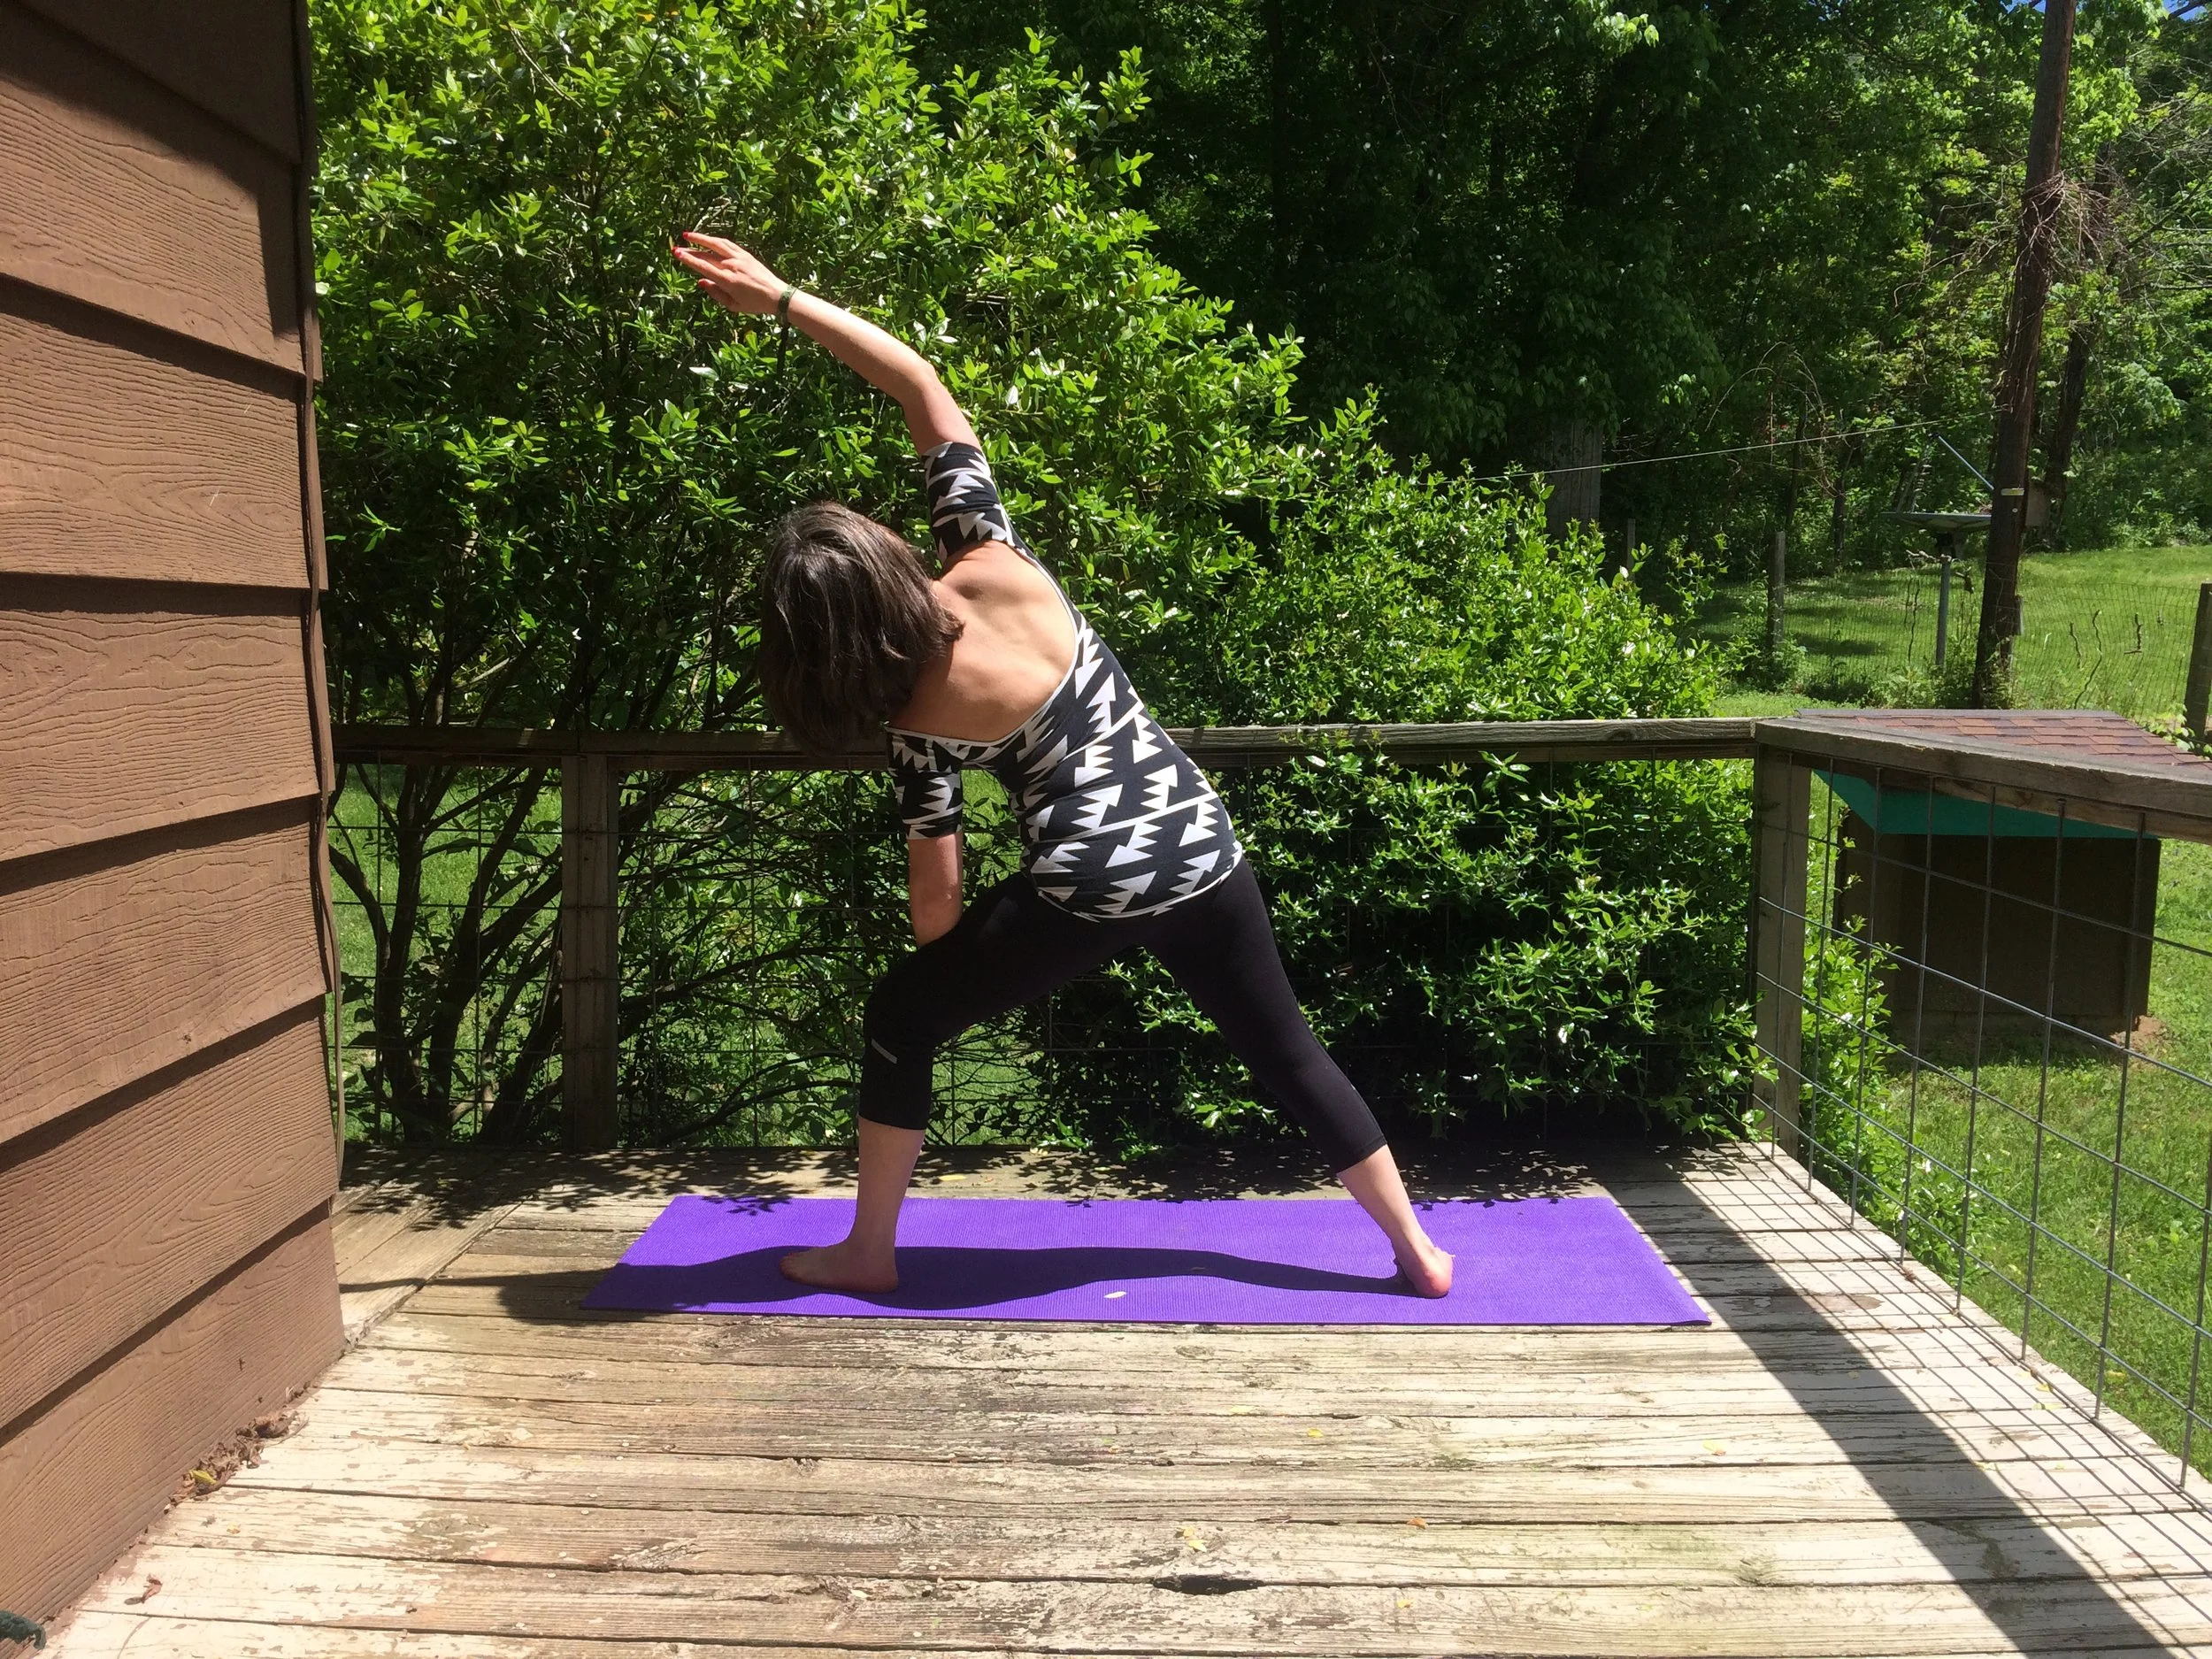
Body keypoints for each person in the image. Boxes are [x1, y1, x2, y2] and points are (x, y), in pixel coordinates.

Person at [669, 233, 1454, 1298]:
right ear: (890, 554)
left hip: (1091, 882)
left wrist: (963, 950)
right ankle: (1415, 1251)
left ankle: (868, 1250)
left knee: (903, 1012)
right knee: (1285, 1050)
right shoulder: (996, 557)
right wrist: (781, 298)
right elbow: (921, 385)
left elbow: (939, 919)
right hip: (1201, 839)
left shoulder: (915, 728)